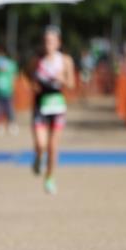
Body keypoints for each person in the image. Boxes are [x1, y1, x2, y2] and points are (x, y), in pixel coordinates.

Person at [29, 25, 76, 195]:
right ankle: (38, 158)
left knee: (53, 147)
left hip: (57, 106)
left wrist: (61, 78)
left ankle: (49, 178)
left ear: (58, 42)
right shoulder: (37, 60)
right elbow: (30, 80)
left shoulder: (65, 60)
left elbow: (71, 84)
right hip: (40, 105)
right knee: (41, 145)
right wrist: (36, 85)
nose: (48, 44)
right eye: (46, 41)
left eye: (51, 41)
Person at [0, 44, 19, 134]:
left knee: (9, 109)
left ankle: (11, 125)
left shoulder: (11, 64)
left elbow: (15, 77)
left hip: (8, 91)